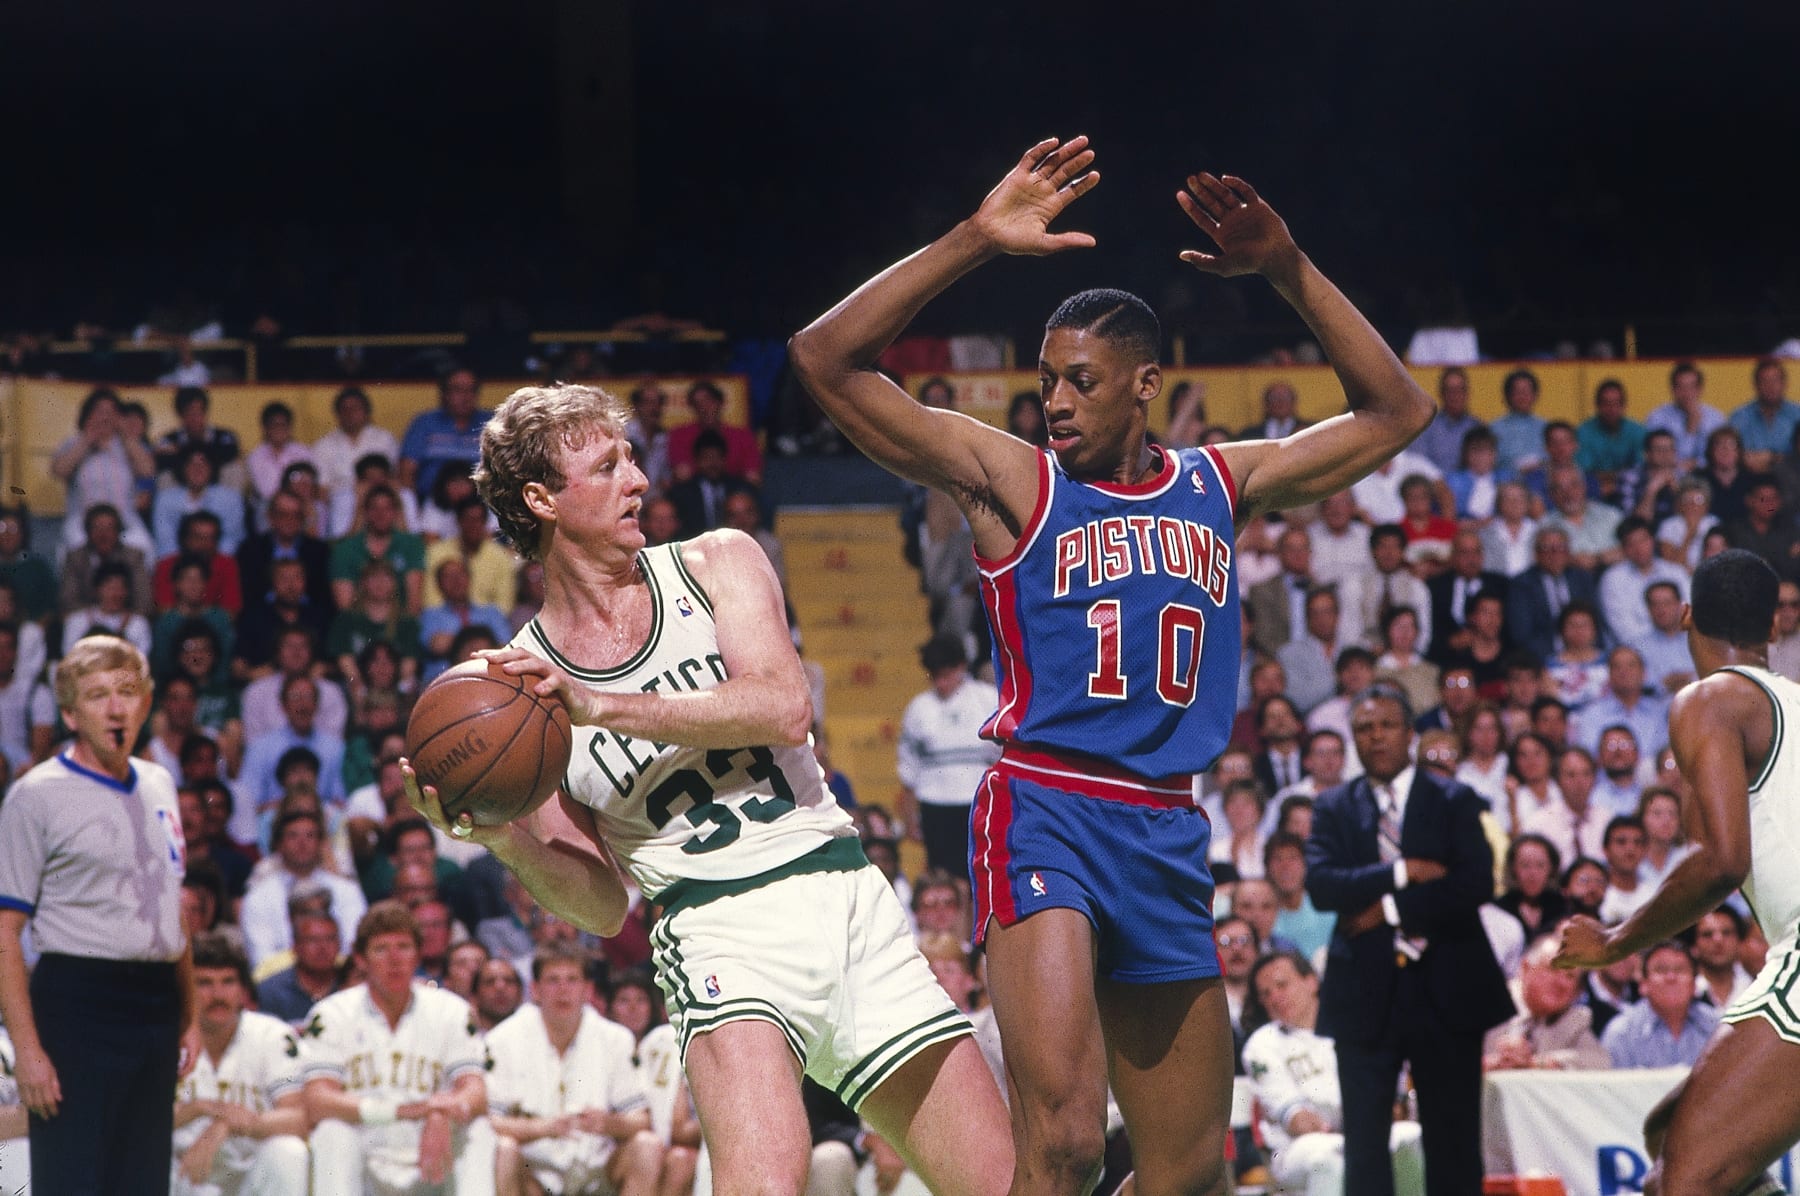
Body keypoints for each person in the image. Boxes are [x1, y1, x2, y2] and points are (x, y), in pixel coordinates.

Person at [790, 138, 1436, 1196]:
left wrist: (1287, 269)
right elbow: (824, 358)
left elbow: (1398, 411)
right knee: (1067, 1147)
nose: (1055, 401)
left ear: (1145, 386)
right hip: (1048, 805)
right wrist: (973, 240)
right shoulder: (1014, 481)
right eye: (1046, 381)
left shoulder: (1220, 482)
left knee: (1189, 1173)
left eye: (1080, 382)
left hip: (1169, 825)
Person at [408, 381, 1013, 1196]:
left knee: (1006, 1185)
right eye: (607, 467)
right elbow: (600, 905)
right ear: (542, 500)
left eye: (631, 459)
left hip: (843, 894)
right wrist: (501, 838)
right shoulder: (519, 690)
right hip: (715, 929)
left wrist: (604, 705)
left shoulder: (718, 560)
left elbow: (783, 707)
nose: (638, 480)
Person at [1556, 547, 1800, 1193]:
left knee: (1683, 1181)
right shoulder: (1791, 704)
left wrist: (1615, 942)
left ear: (1686, 615)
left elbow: (1721, 860)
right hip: (1790, 949)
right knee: (1672, 1136)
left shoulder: (1709, 699)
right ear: (1774, 626)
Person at [0, 635, 201, 1192]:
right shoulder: (35, 795)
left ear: (146, 702)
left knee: (142, 1181)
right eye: (97, 695)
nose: (116, 708)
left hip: (155, 1004)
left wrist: (189, 1015)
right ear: (70, 714)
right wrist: (28, 1051)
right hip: (78, 1004)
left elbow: (173, 906)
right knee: (75, 1180)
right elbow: (4, 931)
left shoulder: (159, 782)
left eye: (127, 692)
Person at [1305, 684, 1513, 1196]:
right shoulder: (1333, 806)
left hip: (1447, 990)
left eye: (1387, 725)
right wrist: (1402, 871)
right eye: (1364, 728)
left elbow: (1475, 882)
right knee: (1364, 1147)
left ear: (1410, 734)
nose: (1375, 737)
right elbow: (1323, 885)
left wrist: (1389, 909)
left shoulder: (1453, 798)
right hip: (1364, 994)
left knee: (1453, 1143)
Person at [300, 901, 495, 1193]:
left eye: (403, 947)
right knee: (331, 1132)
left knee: (479, 1131)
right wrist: (401, 1111)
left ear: (418, 954)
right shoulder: (331, 1014)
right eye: (381, 949)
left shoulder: (452, 1010)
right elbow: (318, 1100)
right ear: (361, 959)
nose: (394, 959)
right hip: (364, 1158)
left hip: (431, 1155)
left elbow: (475, 1092)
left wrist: (443, 1112)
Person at [486, 943, 667, 1196]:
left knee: (647, 1146)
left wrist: (607, 1123)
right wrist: (545, 1128)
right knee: (504, 1149)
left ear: (588, 990)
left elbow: (641, 1120)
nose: (563, 990)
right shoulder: (502, 1039)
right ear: (535, 989)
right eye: (553, 980)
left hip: (597, 1169)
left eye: (572, 980)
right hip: (533, 1172)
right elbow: (490, 1122)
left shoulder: (616, 1038)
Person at [1240, 950, 1425, 1196]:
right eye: (1265, 994)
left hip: (1362, 1132)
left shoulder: (1353, 1024)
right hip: (1296, 1148)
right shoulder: (1262, 1045)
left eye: (1282, 985)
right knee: (1329, 1155)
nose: (1275, 997)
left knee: (1409, 1136)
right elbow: (1297, 1120)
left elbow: (1391, 1098)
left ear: (1311, 982)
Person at [171, 932, 310, 1196]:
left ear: (243, 990)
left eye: (228, 982)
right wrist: (199, 1108)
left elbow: (300, 1116)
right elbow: (139, 1125)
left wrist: (226, 1125)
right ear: (186, 990)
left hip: (252, 1176)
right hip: (184, 1173)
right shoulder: (166, 1038)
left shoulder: (272, 1035)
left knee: (289, 1151)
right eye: (204, 983)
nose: (218, 994)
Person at [897, 633, 1002, 875]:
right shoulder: (919, 708)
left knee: (981, 874)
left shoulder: (988, 699)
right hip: (936, 806)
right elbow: (909, 768)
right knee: (944, 876)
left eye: (946, 675)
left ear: (961, 667)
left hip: (979, 802)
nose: (941, 683)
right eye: (935, 676)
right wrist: (911, 818)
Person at [1481, 935, 1610, 1072]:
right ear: (1525, 968)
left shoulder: (1572, 1019)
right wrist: (1495, 1063)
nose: (1561, 983)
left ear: (1576, 992)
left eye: (1570, 976)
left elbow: (1601, 1063)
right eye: (1552, 969)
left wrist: (1535, 1063)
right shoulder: (1488, 1002)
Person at [399, 367, 492, 498]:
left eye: (471, 390)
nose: (465, 397)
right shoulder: (424, 423)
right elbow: (406, 472)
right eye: (458, 390)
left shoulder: (491, 424)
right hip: (431, 502)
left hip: (480, 503)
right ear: (445, 394)